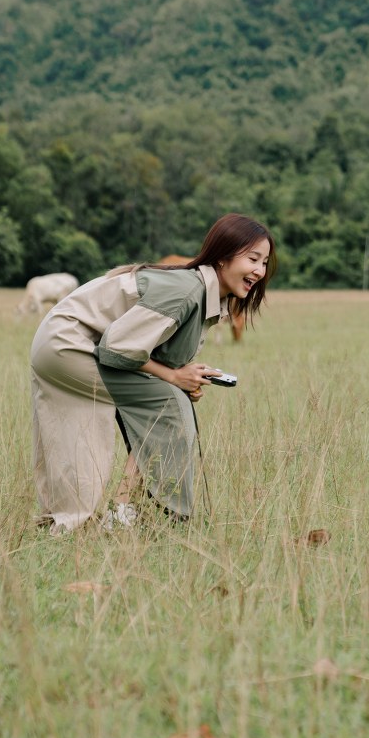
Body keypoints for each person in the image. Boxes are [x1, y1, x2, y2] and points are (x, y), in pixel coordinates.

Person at [29, 213, 274, 531]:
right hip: (70, 345)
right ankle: (141, 514)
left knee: (161, 404)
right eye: (253, 258)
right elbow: (117, 348)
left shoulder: (199, 290)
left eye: (265, 262)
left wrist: (183, 377)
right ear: (223, 257)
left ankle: (91, 518)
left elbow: (149, 351)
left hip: (58, 341)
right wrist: (173, 377)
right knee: (167, 405)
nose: (260, 270)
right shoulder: (186, 290)